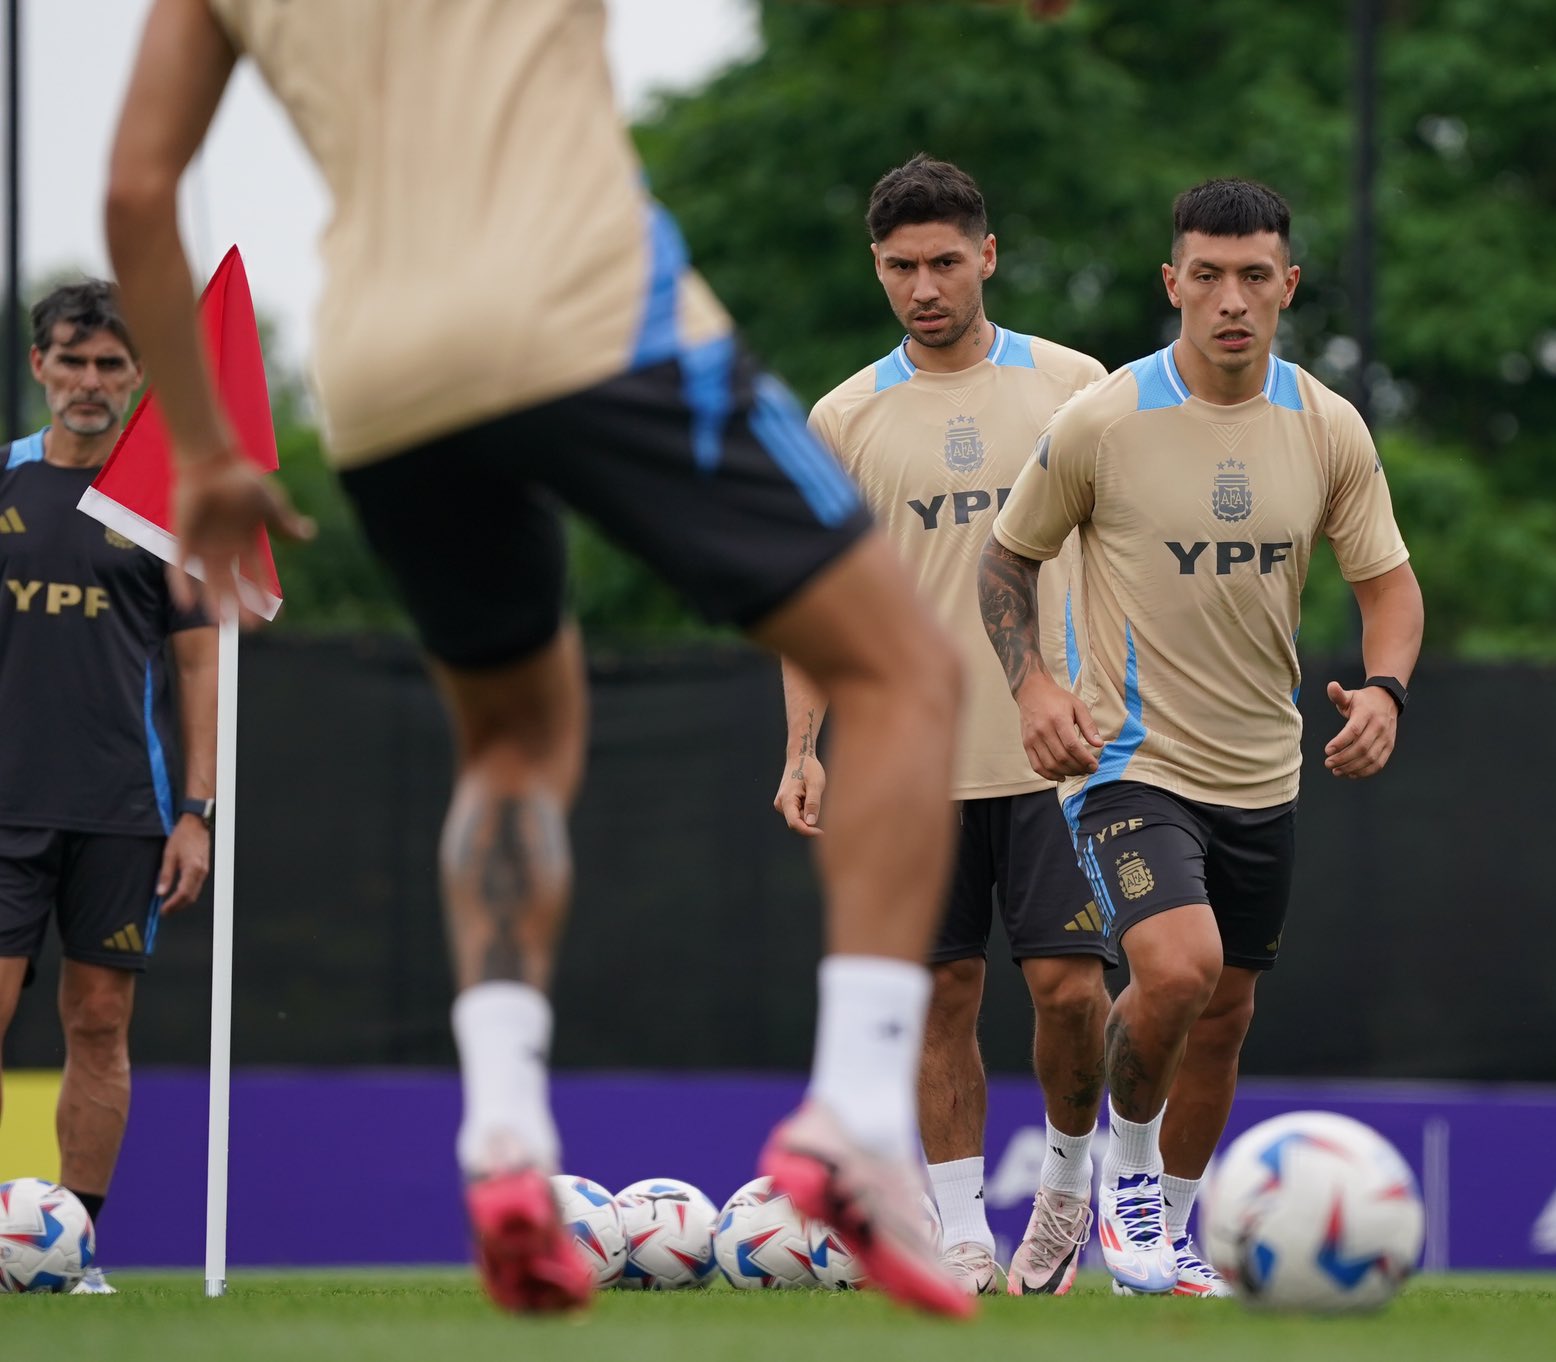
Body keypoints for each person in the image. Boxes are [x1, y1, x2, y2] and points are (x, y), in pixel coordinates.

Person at [101, 0, 1059, 1318]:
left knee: (507, 740)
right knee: (907, 669)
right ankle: (848, 1119)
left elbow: (137, 189)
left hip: (383, 372)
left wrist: (204, 450)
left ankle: (504, 1137)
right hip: (593, 315)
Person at [978, 179, 1425, 1296]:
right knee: (1176, 969)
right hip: (1129, 762)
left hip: (1261, 768)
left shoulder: (1325, 424)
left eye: (1254, 276)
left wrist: (1384, 691)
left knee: (1224, 1014)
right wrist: (1031, 685)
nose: (1231, 299)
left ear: (1287, 285)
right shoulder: (1103, 420)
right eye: (1208, 276)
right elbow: (1004, 561)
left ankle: (1169, 1234)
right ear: (1171, 283)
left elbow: (1390, 587)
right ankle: (1116, 1186)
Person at [781, 155, 1111, 1297]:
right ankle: (962, 1231)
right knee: (941, 999)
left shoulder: (1075, 387)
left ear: (986, 255)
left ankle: (1066, 1195)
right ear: (877, 271)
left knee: (1072, 990)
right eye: (898, 267)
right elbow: (817, 603)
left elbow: (1130, 558)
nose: (922, 285)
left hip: (1058, 752)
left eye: (941, 261)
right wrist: (802, 748)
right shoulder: (844, 415)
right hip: (906, 761)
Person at [0, 281, 217, 1295]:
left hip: (126, 814)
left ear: (137, 379)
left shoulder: (163, 510)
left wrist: (198, 812)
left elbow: (200, 665)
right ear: (40, 364)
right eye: (72, 362)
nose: (90, 383)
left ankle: (73, 1249)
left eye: (111, 366)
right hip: (4, 809)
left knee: (98, 1026)